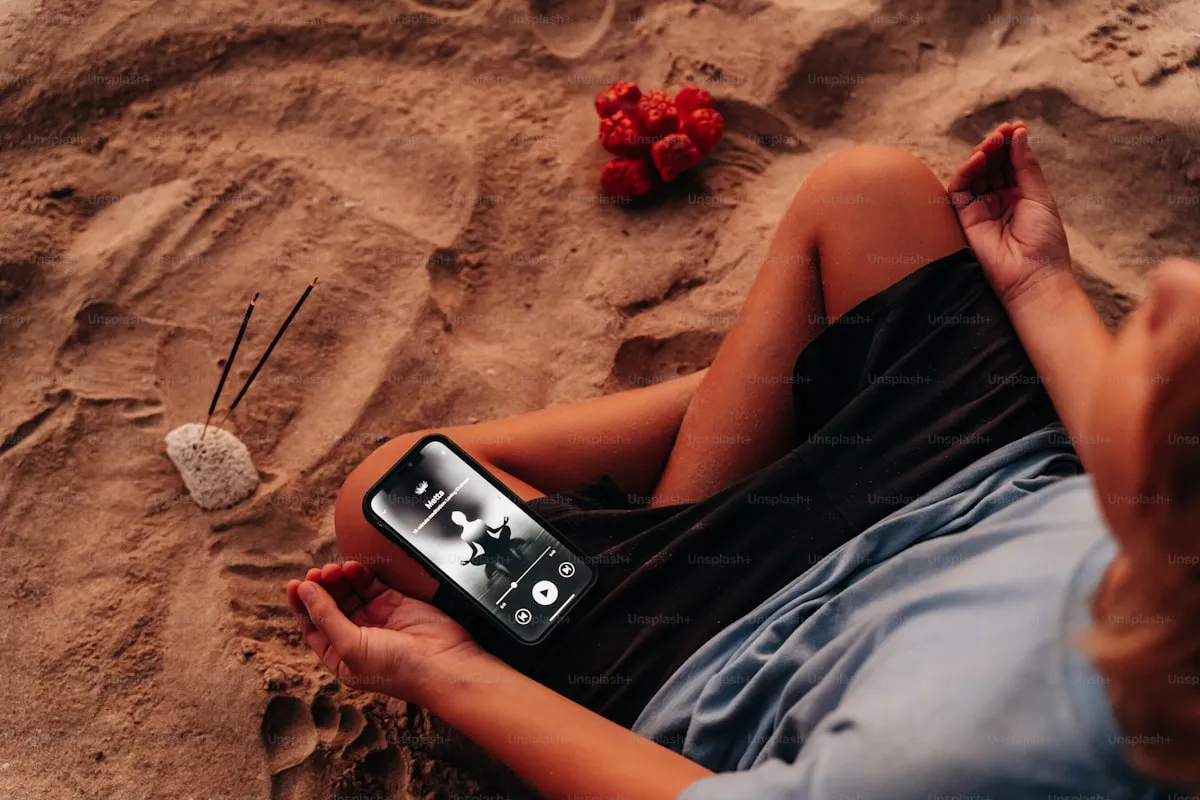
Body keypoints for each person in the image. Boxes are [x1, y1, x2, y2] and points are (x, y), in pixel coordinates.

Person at [286, 121, 1200, 799]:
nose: (1172, 280)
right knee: (869, 191)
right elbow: (1142, 477)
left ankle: (776, 409)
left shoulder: (947, 762)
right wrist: (1039, 285)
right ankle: (794, 397)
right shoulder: (1169, 545)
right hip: (988, 474)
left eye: (1173, 344)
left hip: (731, 649)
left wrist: (446, 672)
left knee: (394, 490)